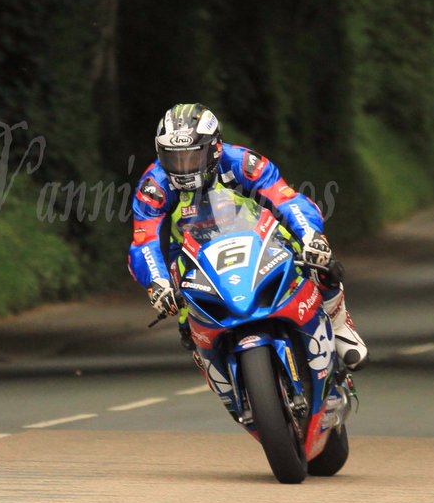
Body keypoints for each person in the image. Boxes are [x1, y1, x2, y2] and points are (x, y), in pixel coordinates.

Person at [128, 102, 368, 371]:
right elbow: (144, 240)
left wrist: (311, 236)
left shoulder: (243, 162)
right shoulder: (154, 185)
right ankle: (212, 361)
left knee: (317, 258)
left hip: (254, 234)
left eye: (191, 157)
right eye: (174, 158)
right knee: (182, 311)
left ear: (214, 149)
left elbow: (286, 199)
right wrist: (158, 283)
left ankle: (339, 325)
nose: (182, 167)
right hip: (189, 250)